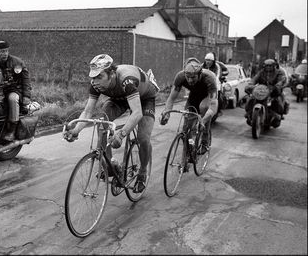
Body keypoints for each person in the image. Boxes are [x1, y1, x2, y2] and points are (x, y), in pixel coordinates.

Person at [63, 54, 159, 193]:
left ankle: (143, 173)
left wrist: (121, 133)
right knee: (102, 121)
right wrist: (76, 131)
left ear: (112, 74)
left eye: (99, 77)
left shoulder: (127, 80)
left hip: (144, 99)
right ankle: (110, 165)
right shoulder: (95, 84)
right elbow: (88, 111)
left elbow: (137, 113)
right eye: (93, 77)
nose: (95, 81)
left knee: (143, 137)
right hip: (119, 98)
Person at [160, 58, 218, 159]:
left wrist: (203, 120)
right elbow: (171, 98)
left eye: (193, 77)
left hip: (206, 97)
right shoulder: (180, 76)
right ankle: (190, 149)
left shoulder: (209, 78)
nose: (190, 80)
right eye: (188, 77)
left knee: (203, 107)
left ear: (199, 74)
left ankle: (205, 140)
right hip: (193, 97)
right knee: (186, 129)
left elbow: (214, 105)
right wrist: (167, 113)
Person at [0, 40, 32, 142]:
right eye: (2, 51)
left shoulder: (17, 62)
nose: (5, 54)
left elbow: (25, 79)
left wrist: (26, 96)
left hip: (14, 90)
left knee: (12, 99)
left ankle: (12, 130)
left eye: (6, 51)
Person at [244, 58, 287, 127]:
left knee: (278, 101)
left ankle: (278, 115)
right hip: (262, 91)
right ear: (264, 66)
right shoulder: (261, 72)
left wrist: (278, 86)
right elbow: (254, 79)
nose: (268, 67)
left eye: (270, 66)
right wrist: (250, 85)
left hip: (273, 91)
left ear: (274, 66)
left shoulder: (279, 72)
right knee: (251, 99)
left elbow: (281, 80)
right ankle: (249, 113)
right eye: (267, 66)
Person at [201, 52, 227, 116]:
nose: (208, 62)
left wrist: (219, 79)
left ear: (213, 61)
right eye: (206, 60)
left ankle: (218, 110)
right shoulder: (202, 66)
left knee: (219, 97)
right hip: (204, 84)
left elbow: (217, 76)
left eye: (210, 60)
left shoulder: (217, 66)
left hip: (215, 83)